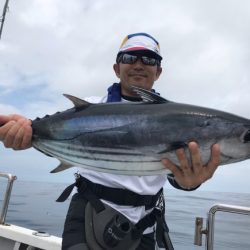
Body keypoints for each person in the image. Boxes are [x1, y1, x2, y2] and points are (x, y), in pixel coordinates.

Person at [0, 32, 220, 250]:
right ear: (116, 68)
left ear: (158, 71)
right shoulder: (90, 107)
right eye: (129, 58)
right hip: (89, 211)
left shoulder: (177, 119)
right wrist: (26, 132)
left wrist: (189, 183)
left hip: (144, 224)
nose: (139, 64)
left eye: (148, 59)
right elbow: (60, 140)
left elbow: (175, 173)